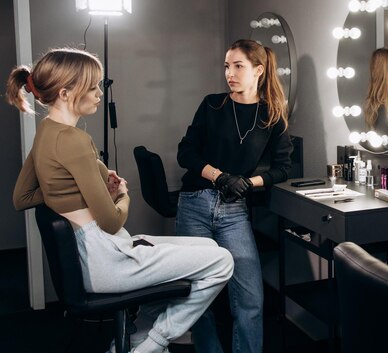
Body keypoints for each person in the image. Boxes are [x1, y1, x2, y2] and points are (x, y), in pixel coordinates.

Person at [7, 48, 234, 353]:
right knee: (223, 260)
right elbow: (112, 220)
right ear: (65, 93)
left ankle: (138, 334)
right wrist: (122, 194)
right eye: (92, 87)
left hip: (91, 252)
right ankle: (154, 342)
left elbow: (22, 198)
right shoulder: (75, 141)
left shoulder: (45, 132)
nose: (99, 93)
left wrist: (75, 193)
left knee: (207, 247)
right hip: (104, 259)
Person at [176, 39, 293, 353]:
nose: (230, 73)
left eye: (238, 66)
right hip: (195, 204)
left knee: (250, 298)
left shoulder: (272, 115)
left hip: (233, 211)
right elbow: (185, 153)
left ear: (258, 70)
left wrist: (248, 182)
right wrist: (220, 175)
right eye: (227, 66)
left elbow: (283, 168)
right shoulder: (212, 105)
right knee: (199, 296)